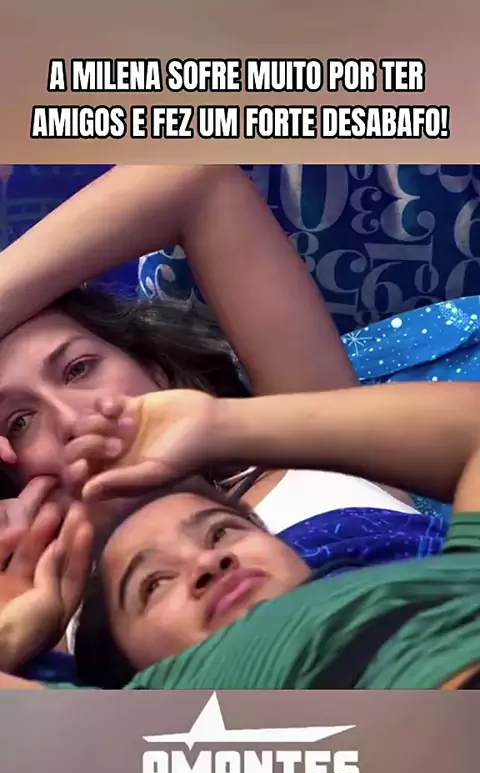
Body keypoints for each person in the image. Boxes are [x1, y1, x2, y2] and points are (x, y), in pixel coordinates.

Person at [0, 166, 414, 552]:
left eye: (79, 369)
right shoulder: (38, 601)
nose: (72, 420)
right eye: (19, 422)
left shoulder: (317, 456)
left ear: (156, 371)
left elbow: (194, 179)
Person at [0, 378, 478, 690]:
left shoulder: (443, 582)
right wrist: (13, 634)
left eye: (222, 534)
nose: (209, 563)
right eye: (154, 584)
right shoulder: (151, 736)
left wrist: (220, 425)